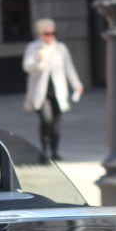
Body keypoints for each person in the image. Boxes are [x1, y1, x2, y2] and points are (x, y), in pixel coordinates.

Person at [22, 18, 83, 160]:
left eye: (53, 33)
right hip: (41, 93)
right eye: (47, 33)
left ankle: (55, 151)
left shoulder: (60, 48)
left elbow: (69, 68)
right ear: (40, 33)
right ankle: (44, 150)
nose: (51, 36)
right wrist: (40, 61)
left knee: (56, 124)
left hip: (58, 92)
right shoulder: (33, 48)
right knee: (46, 120)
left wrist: (76, 84)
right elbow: (27, 67)